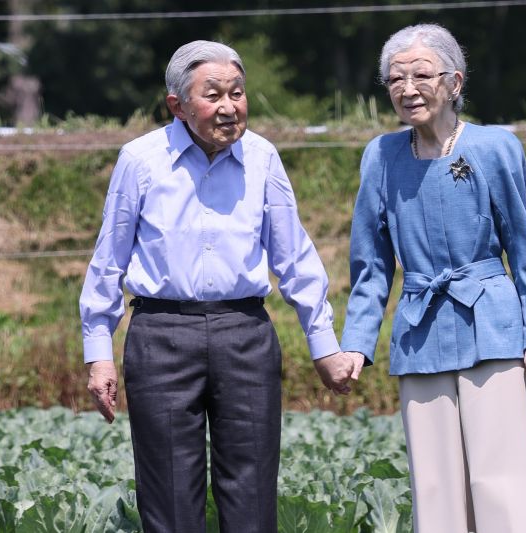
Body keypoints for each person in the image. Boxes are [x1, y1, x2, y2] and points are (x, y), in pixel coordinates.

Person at [79, 40, 354, 533]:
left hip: (245, 333)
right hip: (160, 335)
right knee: (168, 497)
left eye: (237, 93)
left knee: (252, 493)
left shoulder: (263, 157)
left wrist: (324, 345)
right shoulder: (140, 160)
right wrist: (99, 352)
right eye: (213, 95)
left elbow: (294, 255)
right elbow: (108, 260)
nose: (229, 107)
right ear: (178, 106)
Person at [339, 24, 526, 533]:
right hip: (419, 332)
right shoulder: (381, 156)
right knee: (435, 486)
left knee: (501, 480)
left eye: (421, 75)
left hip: (494, 327)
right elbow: (371, 266)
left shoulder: (495, 147)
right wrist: (356, 343)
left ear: (454, 82)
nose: (408, 89)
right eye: (396, 79)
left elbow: (524, 251)